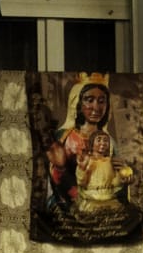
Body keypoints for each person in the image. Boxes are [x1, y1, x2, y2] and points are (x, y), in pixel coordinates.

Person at [45, 74, 111, 210]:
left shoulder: (109, 140)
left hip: (100, 202)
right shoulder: (63, 136)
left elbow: (114, 180)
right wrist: (60, 167)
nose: (96, 107)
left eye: (101, 101)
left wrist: (124, 174)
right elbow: (53, 179)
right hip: (66, 202)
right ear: (77, 103)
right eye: (89, 100)